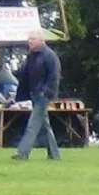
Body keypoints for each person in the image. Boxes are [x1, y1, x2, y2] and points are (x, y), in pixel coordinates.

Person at [11, 30, 62, 162]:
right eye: (29, 39)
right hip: (34, 94)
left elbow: (54, 76)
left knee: (32, 125)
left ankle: (22, 153)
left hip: (44, 95)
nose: (30, 41)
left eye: (33, 39)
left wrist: (46, 91)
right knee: (45, 126)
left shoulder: (49, 55)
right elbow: (23, 74)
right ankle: (54, 155)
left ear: (41, 40)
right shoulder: (31, 56)